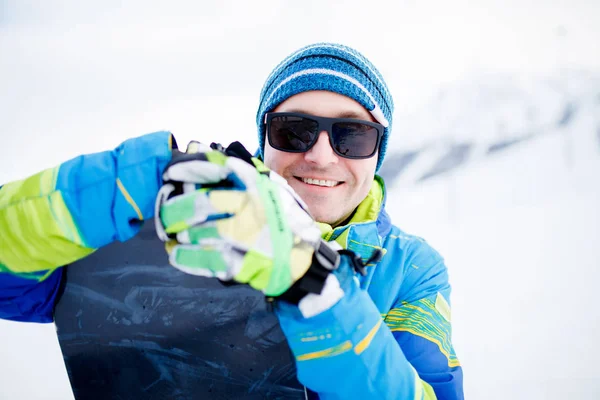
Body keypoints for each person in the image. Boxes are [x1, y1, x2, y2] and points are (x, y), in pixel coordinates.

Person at [0, 43, 463, 399]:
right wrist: (104, 191)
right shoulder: (184, 217)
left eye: (353, 135)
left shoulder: (409, 268)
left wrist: (314, 286)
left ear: (378, 153)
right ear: (265, 139)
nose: (320, 156)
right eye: (294, 130)